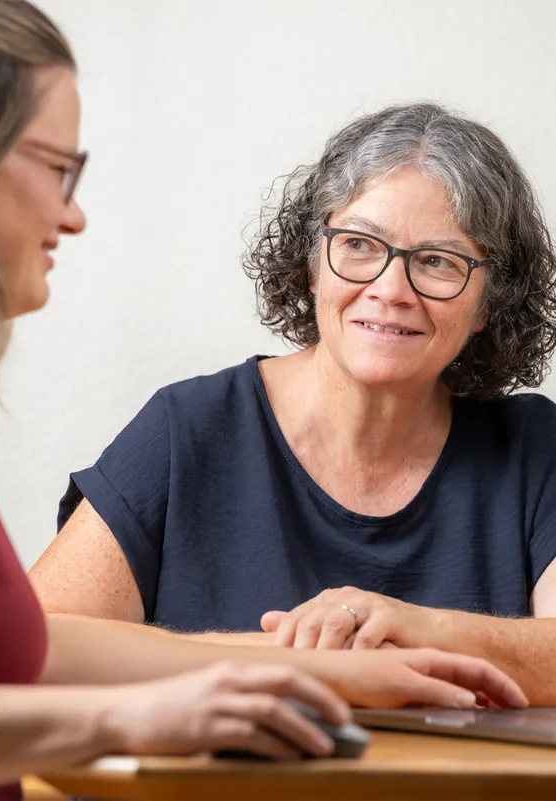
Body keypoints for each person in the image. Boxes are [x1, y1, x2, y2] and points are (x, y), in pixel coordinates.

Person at [0, 3, 527, 799]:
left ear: (487, 296)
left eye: (436, 261)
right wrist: (135, 718)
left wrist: (314, 665)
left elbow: (30, 646)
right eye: (59, 166)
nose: (74, 212)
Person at [31, 101, 556, 705]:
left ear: (490, 303)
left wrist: (423, 626)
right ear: (312, 266)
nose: (389, 290)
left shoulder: (532, 447)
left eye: (437, 262)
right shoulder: (189, 429)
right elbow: (33, 647)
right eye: (358, 244)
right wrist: (315, 662)